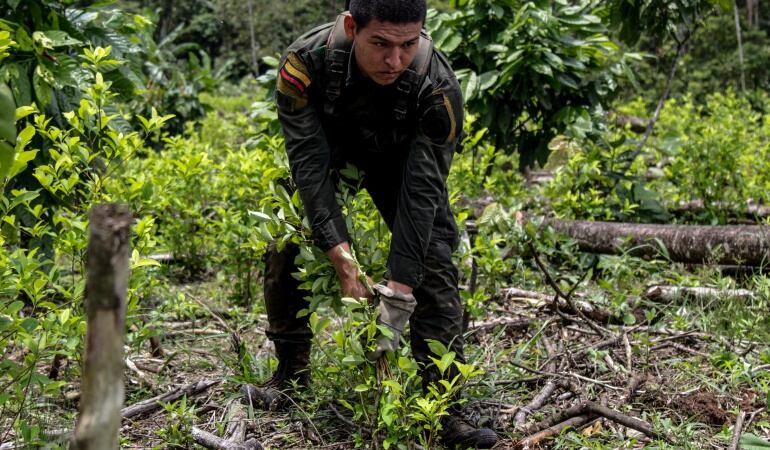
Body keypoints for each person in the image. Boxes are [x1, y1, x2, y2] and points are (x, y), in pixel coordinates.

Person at [242, 0, 498, 447]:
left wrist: (398, 291)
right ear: (351, 27)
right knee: (287, 241)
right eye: (380, 43)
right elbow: (307, 162)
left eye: (408, 44)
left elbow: (421, 196)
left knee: (433, 259)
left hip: (400, 162)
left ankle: (445, 406)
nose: (395, 60)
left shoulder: (438, 87)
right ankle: (290, 377)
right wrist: (339, 254)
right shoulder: (304, 64)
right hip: (331, 153)